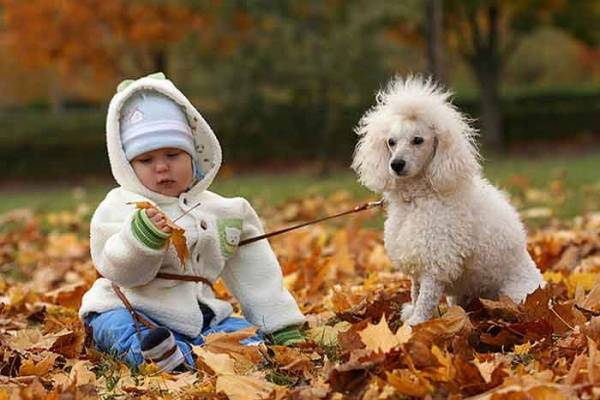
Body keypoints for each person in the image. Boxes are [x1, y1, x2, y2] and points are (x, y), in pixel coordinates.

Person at [79, 73, 306, 372]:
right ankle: (163, 358)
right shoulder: (120, 206)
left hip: (201, 316)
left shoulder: (225, 211)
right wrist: (140, 238)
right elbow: (120, 270)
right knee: (115, 328)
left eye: (173, 154)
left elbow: (256, 270)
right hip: (130, 307)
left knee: (241, 334)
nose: (161, 167)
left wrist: (279, 322)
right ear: (127, 165)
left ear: (195, 155)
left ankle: (211, 354)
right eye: (146, 161)